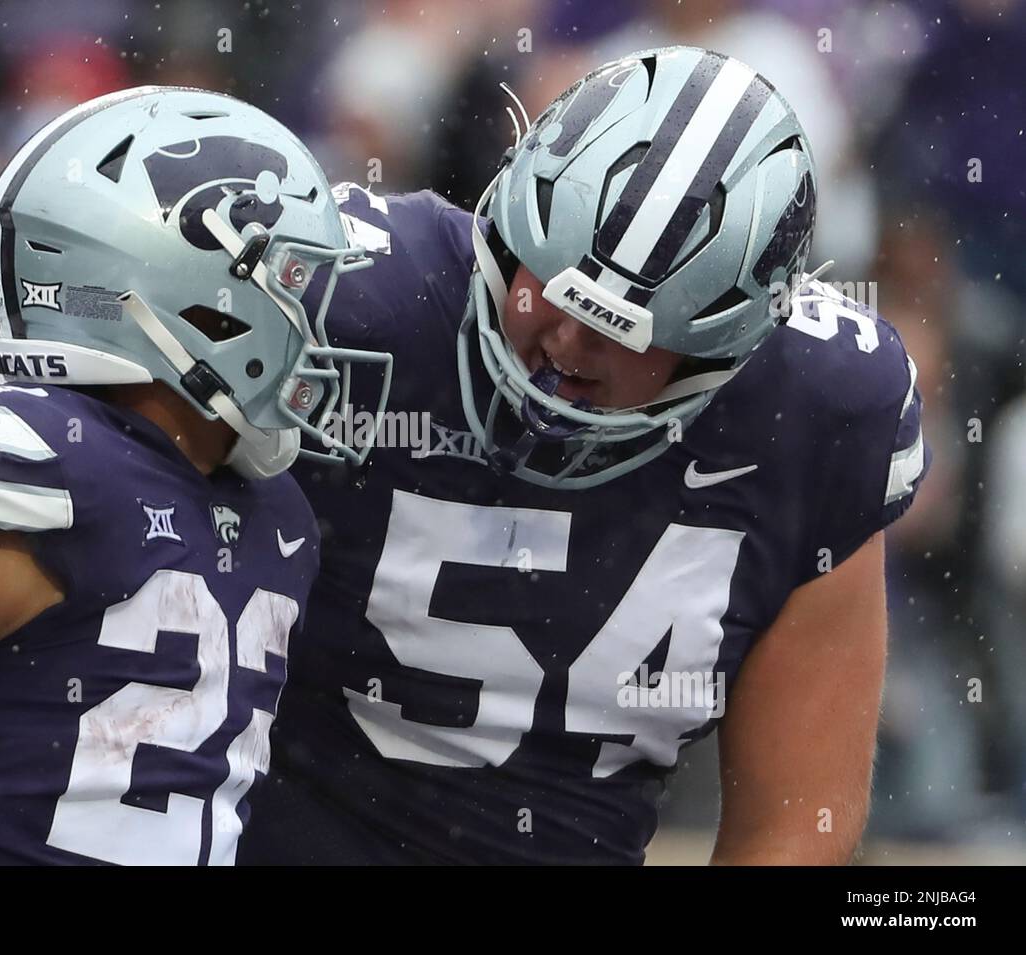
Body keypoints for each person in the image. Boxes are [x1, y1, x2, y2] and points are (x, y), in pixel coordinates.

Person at [241, 46, 929, 865]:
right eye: (554, 285)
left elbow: (796, 822)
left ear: (723, 348)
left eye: (621, 333)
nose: (566, 342)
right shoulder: (347, 300)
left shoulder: (818, 409)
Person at [0, 86, 391, 865]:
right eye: (292, 286)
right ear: (195, 289)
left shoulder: (281, 513)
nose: (316, 325)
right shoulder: (30, 467)